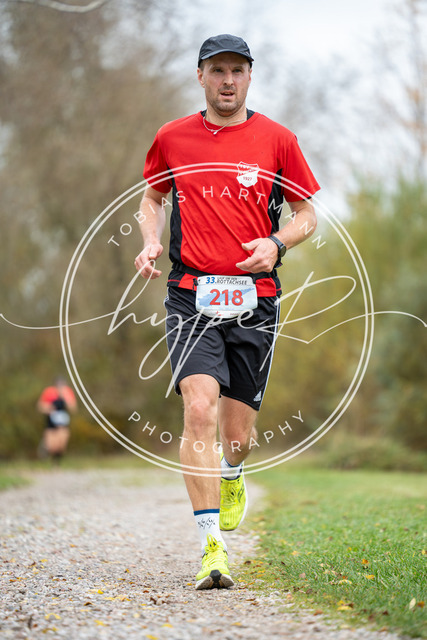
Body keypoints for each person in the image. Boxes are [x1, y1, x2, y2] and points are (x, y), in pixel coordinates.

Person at [134, 34, 320, 590]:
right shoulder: (172, 137)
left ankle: (233, 470)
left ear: (249, 75)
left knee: (236, 436)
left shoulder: (278, 140)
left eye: (237, 70)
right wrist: (149, 241)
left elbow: (307, 215)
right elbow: (152, 198)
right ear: (200, 76)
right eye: (217, 70)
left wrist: (278, 244)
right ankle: (211, 547)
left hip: (255, 299)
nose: (228, 80)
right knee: (198, 410)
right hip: (189, 294)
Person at [37, 377, 77, 463]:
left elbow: (73, 408)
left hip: (63, 423)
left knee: (61, 446)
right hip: (51, 423)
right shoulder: (49, 392)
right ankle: (46, 447)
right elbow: (40, 406)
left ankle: (56, 464)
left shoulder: (68, 393)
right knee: (52, 447)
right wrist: (50, 408)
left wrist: (65, 399)